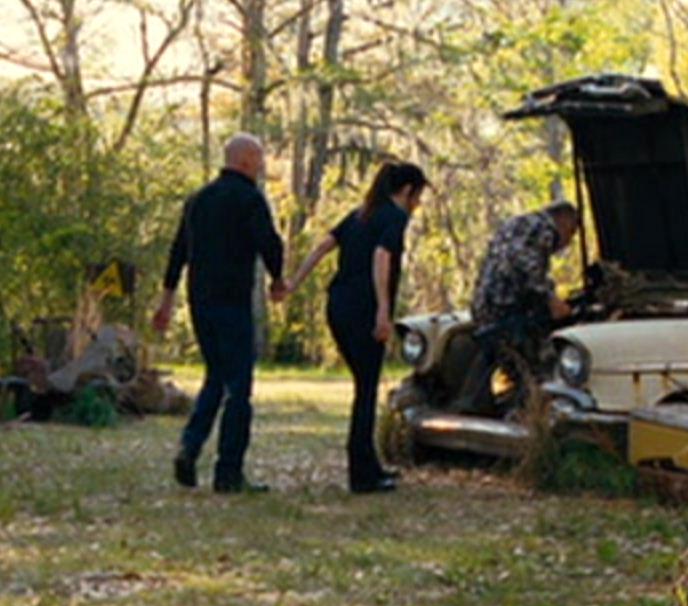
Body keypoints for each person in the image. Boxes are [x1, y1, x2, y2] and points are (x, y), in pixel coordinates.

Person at [281, 162, 428, 493]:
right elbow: (381, 257)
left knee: (364, 385)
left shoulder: (360, 213)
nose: (417, 204)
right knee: (366, 388)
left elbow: (322, 246)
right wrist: (383, 311)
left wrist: (293, 283)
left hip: (337, 305)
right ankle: (362, 474)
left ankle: (368, 465)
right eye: (418, 196)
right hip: (363, 309)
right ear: (407, 191)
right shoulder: (394, 217)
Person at [153, 133, 286, 493]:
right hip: (232, 301)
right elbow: (269, 242)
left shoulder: (197, 200)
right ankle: (228, 472)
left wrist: (166, 302)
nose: (261, 166)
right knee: (239, 388)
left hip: (200, 302)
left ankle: (190, 445)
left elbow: (178, 252)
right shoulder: (249, 199)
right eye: (258, 159)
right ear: (243, 161)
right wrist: (278, 279)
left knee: (216, 376)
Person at [454, 201, 579, 414]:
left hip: (485, 302)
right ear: (563, 220)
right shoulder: (544, 229)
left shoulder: (517, 224)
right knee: (529, 356)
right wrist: (550, 299)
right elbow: (524, 263)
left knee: (493, 351)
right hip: (507, 307)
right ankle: (529, 406)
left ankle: (477, 402)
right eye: (572, 232)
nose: (568, 242)